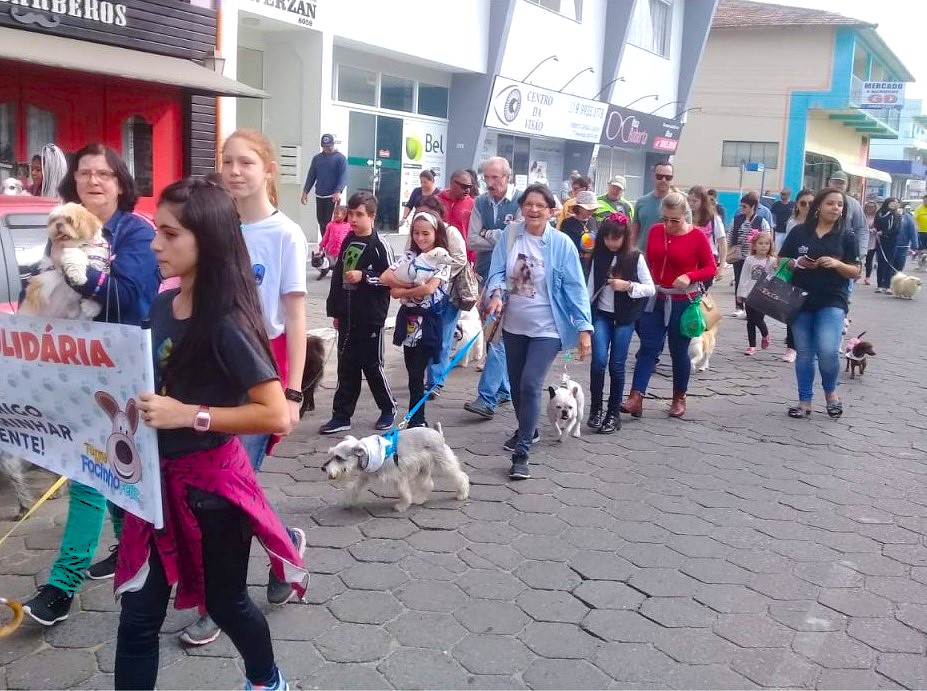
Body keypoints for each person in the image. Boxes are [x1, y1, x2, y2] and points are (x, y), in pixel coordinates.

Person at [113, 177, 308, 691]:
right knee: (138, 615)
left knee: (226, 603)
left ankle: (266, 680)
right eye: (157, 231)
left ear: (207, 239)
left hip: (212, 493)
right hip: (155, 487)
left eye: (170, 234)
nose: (155, 245)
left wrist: (188, 415)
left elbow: (274, 414)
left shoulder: (227, 321)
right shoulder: (163, 305)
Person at [175, 130, 309, 648]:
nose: (234, 171)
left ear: (268, 169)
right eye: (226, 161)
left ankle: (218, 604)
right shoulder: (215, 226)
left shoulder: (285, 234)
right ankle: (285, 545)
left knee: (226, 492)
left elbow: (295, 317)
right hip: (211, 367)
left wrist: (292, 393)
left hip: (261, 371)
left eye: (245, 162)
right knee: (228, 487)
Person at [21, 144, 160, 626]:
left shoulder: (135, 233)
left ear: (121, 183)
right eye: (84, 173)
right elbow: (43, 295)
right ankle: (131, 550)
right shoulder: (59, 232)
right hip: (71, 369)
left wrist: (77, 273)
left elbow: (131, 299)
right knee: (110, 469)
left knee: (89, 472)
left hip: (121, 372)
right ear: (73, 182)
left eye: (104, 174)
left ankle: (63, 584)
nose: (94, 181)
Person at [484, 184, 593, 480]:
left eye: (540, 206)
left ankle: (521, 453)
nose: (533, 210)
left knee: (531, 383)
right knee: (517, 386)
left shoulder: (561, 244)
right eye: (528, 204)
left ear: (551, 211)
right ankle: (528, 430)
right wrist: (496, 293)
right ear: (521, 207)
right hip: (513, 325)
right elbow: (496, 271)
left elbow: (575, 287)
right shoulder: (509, 236)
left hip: (548, 328)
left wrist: (584, 328)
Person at [622, 192, 717, 420]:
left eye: (675, 220)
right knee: (648, 347)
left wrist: (690, 275)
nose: (669, 225)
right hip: (656, 298)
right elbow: (648, 261)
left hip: (682, 301)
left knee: (678, 351)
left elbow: (711, 268)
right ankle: (636, 397)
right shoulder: (655, 231)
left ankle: (678, 397)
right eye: (665, 219)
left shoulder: (697, 236)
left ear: (685, 215)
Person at [320, 191, 397, 434]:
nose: (353, 219)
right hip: (347, 316)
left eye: (359, 214)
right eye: (351, 214)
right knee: (346, 366)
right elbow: (338, 278)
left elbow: (391, 278)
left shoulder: (380, 245)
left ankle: (388, 408)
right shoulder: (348, 239)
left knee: (372, 366)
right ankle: (341, 415)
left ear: (372, 216)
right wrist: (336, 311)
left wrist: (365, 276)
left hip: (370, 317)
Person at [779, 187, 859, 419]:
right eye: (830, 203)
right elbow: (781, 259)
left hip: (832, 299)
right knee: (804, 353)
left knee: (828, 350)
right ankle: (804, 401)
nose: (836, 208)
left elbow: (855, 271)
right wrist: (797, 263)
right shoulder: (799, 232)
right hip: (800, 298)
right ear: (819, 206)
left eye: (840, 205)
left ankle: (831, 393)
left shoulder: (847, 236)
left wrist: (837, 265)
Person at [381, 209, 452, 428]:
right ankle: (415, 418)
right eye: (416, 233)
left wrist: (402, 290)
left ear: (436, 233)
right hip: (408, 324)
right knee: (412, 373)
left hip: (428, 324)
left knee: (416, 373)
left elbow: (429, 289)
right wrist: (412, 286)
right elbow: (386, 277)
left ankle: (417, 419)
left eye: (425, 233)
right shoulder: (410, 256)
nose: (420, 238)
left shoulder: (442, 258)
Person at [586, 212, 654, 435]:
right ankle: (596, 409)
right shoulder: (598, 256)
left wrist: (628, 286)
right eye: (607, 238)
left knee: (616, 365)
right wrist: (584, 319)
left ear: (625, 237)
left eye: (616, 238)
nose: (611, 243)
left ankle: (613, 414)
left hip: (625, 319)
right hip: (601, 316)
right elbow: (589, 288)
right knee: (598, 362)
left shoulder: (635, 257)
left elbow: (650, 289)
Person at [464, 156, 518, 420]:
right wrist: (500, 234)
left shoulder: (521, 201)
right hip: (485, 273)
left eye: (495, 177)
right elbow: (472, 240)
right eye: (486, 177)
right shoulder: (481, 202)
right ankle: (504, 389)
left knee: (495, 336)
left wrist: (488, 232)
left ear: (507, 177)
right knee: (494, 336)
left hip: (512, 278)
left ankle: (486, 398)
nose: (490, 182)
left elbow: (515, 240)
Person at [415, 195, 468, 397]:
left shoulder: (450, 232)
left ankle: (435, 382)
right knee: (421, 337)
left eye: (427, 213)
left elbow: (460, 260)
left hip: (448, 294)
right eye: (419, 213)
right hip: (422, 295)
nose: (423, 217)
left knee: (443, 338)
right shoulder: (416, 233)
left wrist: (437, 274)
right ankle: (418, 377)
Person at [727, 192, 771, 317]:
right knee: (739, 280)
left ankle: (751, 308)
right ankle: (739, 306)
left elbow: (767, 237)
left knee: (753, 281)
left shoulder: (761, 221)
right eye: (741, 206)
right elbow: (730, 236)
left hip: (755, 258)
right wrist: (729, 249)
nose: (742, 209)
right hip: (739, 256)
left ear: (753, 207)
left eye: (744, 206)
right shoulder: (737, 220)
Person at [736, 230, 777, 355]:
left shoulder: (772, 261)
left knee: (758, 319)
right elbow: (743, 276)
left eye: (766, 243)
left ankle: (765, 335)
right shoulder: (749, 260)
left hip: (763, 294)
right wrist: (740, 293)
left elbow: (774, 277)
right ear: (754, 245)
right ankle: (751, 345)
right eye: (760, 243)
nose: (764, 246)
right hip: (749, 293)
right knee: (750, 320)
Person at [300, 133, 348, 239]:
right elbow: (311, 175)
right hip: (320, 194)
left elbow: (343, 176)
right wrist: (305, 192)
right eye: (324, 146)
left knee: (330, 222)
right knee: (321, 222)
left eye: (329, 146)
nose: (327, 148)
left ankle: (332, 244)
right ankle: (325, 244)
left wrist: (338, 191)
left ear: (333, 144)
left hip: (332, 196)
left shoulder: (340, 158)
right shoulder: (317, 159)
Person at [633, 161, 686, 251]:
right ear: (653, 176)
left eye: (668, 177)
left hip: (669, 255)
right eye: (659, 176)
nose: (663, 180)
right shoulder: (641, 202)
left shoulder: (681, 203)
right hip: (642, 255)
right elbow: (634, 232)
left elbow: (687, 233)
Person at [688, 185, 727, 289]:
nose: (691, 203)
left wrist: (721, 267)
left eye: (695, 201)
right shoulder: (686, 217)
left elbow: (722, 243)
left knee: (702, 290)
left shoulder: (714, 219)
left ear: (703, 201)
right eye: (689, 200)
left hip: (708, 260)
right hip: (690, 259)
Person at [827, 170, 867, 270]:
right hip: (823, 249)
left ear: (847, 185)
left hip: (846, 251)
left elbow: (861, 229)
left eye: (842, 183)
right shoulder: (820, 200)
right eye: (835, 182)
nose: (838, 185)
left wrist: (861, 251)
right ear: (829, 182)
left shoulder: (853, 204)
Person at [559, 189, 599, 274]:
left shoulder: (593, 221)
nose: (591, 211)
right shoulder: (567, 223)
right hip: (572, 265)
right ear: (579, 207)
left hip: (590, 266)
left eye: (593, 208)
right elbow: (563, 245)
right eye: (588, 208)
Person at [436, 169, 475, 252]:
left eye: (469, 187)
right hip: (439, 251)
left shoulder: (473, 204)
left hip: (463, 253)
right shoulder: (436, 201)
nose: (467, 190)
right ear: (452, 183)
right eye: (464, 186)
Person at [873, 197, 902, 293]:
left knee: (889, 263)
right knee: (880, 262)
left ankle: (887, 285)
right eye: (893, 202)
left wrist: (884, 232)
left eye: (897, 203)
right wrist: (876, 231)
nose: (895, 204)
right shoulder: (880, 213)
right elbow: (876, 225)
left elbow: (897, 230)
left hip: (892, 242)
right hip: (880, 241)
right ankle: (879, 285)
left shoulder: (897, 215)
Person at [318, 205, 351, 278]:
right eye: (334, 213)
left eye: (337, 213)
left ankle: (338, 274)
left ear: (344, 215)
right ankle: (324, 271)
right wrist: (321, 245)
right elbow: (326, 236)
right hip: (330, 249)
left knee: (339, 265)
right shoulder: (330, 224)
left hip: (341, 250)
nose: (335, 215)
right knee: (325, 262)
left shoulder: (348, 226)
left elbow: (350, 238)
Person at [862, 200, 877, 285]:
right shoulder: (862, 216)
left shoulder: (876, 217)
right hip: (862, 240)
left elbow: (877, 228)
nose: (869, 209)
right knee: (857, 258)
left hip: (871, 241)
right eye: (868, 207)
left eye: (872, 207)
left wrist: (872, 230)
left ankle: (867, 277)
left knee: (869, 260)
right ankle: (856, 274)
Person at [914, 194, 927, 261]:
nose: (926, 202)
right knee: (921, 248)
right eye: (925, 201)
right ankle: (920, 261)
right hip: (921, 231)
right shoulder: (919, 208)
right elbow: (915, 218)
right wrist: (916, 226)